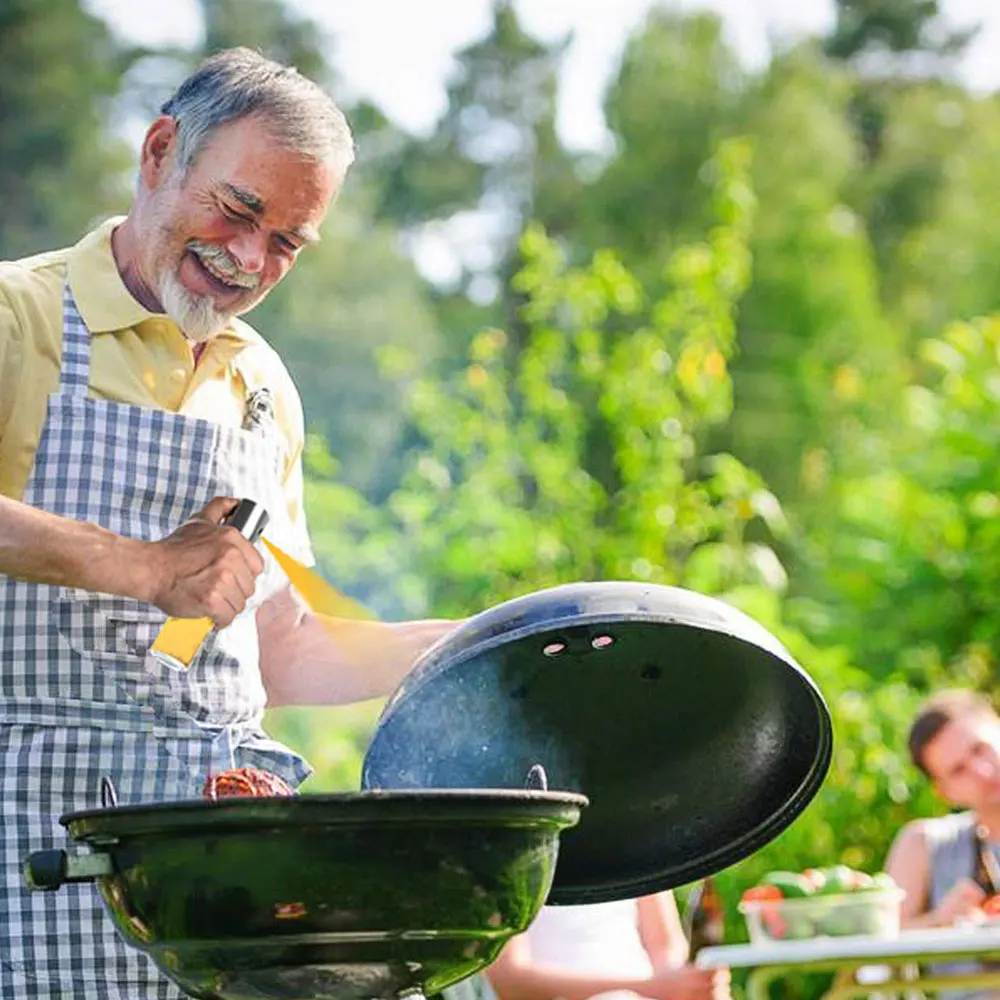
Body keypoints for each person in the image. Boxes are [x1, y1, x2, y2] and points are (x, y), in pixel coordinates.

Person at [0, 48, 460, 998]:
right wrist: (143, 568)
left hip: (225, 867)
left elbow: (278, 652)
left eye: (289, 243)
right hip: (33, 837)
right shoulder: (20, 317)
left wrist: (479, 647)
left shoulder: (260, 385)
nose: (250, 259)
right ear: (161, 150)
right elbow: (164, 581)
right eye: (240, 210)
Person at [884, 690, 1000, 999]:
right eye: (958, 770)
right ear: (944, 791)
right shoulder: (925, 843)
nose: (983, 772)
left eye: (980, 749)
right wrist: (940, 922)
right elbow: (878, 941)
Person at [486, 894, 732, 1000]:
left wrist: (692, 986)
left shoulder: (639, 840)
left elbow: (666, 951)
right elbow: (510, 978)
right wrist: (651, 987)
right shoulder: (516, 845)